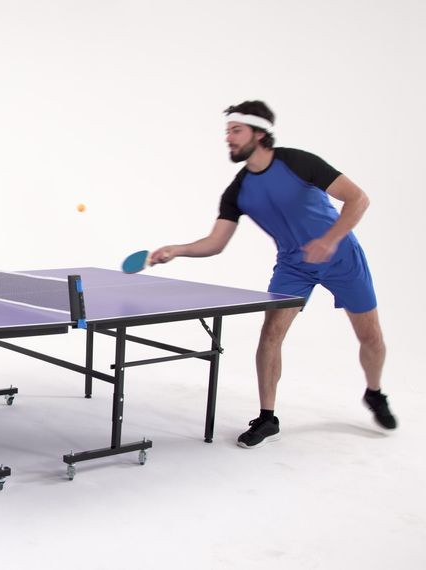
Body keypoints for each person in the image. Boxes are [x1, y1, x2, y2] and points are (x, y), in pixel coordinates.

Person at [150, 100, 397, 449]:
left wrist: (329, 240)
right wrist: (177, 250)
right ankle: (267, 418)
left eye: (236, 131)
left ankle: (374, 392)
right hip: (293, 266)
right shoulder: (238, 189)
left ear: (259, 133)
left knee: (370, 336)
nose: (229, 139)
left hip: (341, 257)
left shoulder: (298, 162)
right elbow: (216, 242)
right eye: (227, 132)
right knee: (270, 335)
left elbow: (358, 199)